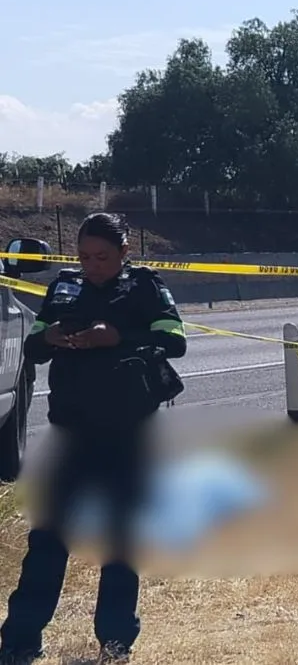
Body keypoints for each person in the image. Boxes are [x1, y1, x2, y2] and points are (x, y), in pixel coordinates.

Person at [0, 213, 187, 663]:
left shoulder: (144, 287)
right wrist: (58, 337)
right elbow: (34, 344)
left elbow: (174, 338)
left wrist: (118, 337)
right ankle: (21, 639)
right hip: (71, 431)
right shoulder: (65, 286)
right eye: (84, 256)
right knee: (48, 537)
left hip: (127, 433)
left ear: (124, 253)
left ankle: (116, 641)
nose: (92, 265)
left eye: (102, 257)